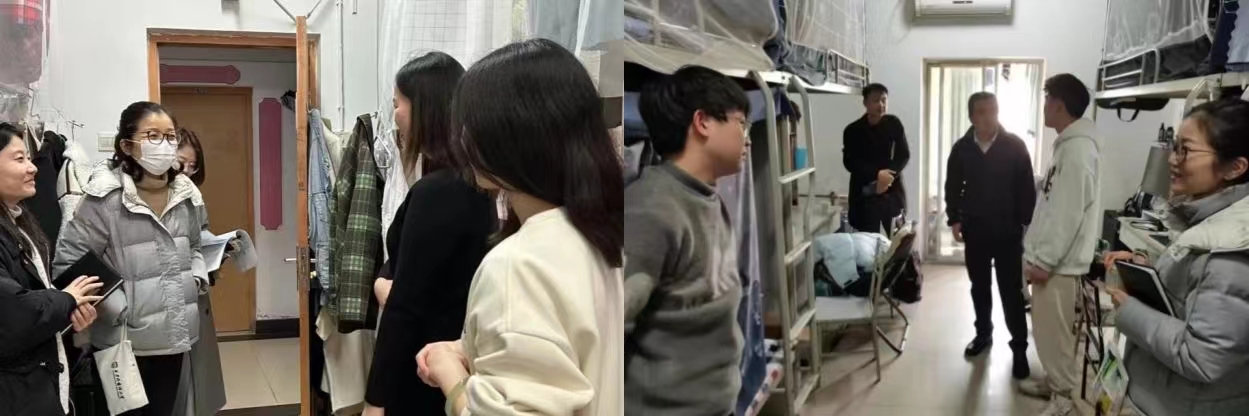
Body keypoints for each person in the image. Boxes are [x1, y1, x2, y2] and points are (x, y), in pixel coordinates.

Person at [416, 38, 624, 416]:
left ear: (508, 135)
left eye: (470, 124)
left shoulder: (518, 266)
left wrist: (451, 376)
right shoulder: (605, 235)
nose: (462, 137)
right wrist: (472, 348)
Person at [54, 101, 209, 415]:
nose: (164, 144)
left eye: (170, 136)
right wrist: (117, 307)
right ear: (126, 145)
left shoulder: (186, 194)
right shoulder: (104, 197)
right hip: (122, 343)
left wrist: (195, 278)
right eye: (153, 136)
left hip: (174, 336)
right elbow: (69, 262)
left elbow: (195, 245)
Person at [364, 51, 495, 416]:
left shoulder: (439, 191)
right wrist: (383, 280)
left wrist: (375, 401)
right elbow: (407, 262)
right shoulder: (465, 183)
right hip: (444, 357)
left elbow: (405, 307)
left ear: (424, 109)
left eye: (397, 104)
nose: (395, 115)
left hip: (426, 367)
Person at [1101, 99, 1249, 416]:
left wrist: (1129, 310)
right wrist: (1149, 274)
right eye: (1174, 146)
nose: (1172, 159)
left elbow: (1202, 357)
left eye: (1185, 150)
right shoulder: (1209, 223)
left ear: (1234, 168)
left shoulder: (1232, 249)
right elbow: (1194, 299)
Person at [624, 65, 749, 415]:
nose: (747, 137)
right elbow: (607, 333)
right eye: (741, 122)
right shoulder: (649, 210)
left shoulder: (706, 197)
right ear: (703, 122)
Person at [0, 122, 102, 416]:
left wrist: (69, 314)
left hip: (35, 380)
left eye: (29, 158)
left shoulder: (20, 220)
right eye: (19, 159)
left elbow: (33, 292)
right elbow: (12, 312)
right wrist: (66, 299)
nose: (32, 167)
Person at [1018, 73, 1101, 416]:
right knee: (1046, 331)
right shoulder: (1068, 145)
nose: (1044, 107)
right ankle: (1055, 383)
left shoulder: (1078, 151)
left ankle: (1064, 399)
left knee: (1055, 334)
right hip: (1052, 261)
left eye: (1047, 99)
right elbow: (1054, 205)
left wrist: (1045, 261)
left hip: (1058, 265)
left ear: (1059, 104)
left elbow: (1067, 214)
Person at [943, 92, 1036, 378]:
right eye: (981, 112)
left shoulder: (1014, 146)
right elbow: (953, 186)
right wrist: (954, 219)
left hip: (1008, 232)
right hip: (976, 230)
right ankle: (983, 334)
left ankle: (1019, 348)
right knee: (979, 286)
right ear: (971, 117)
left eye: (993, 110)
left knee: (1011, 291)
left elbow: (1026, 190)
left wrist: (1024, 225)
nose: (988, 117)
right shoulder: (962, 149)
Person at [843, 83, 910, 235]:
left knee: (897, 236)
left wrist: (888, 176)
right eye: (875, 100)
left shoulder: (894, 124)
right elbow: (850, 162)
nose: (881, 105)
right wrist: (877, 174)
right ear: (865, 103)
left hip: (891, 186)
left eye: (884, 100)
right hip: (864, 189)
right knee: (867, 238)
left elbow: (903, 155)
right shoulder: (852, 130)